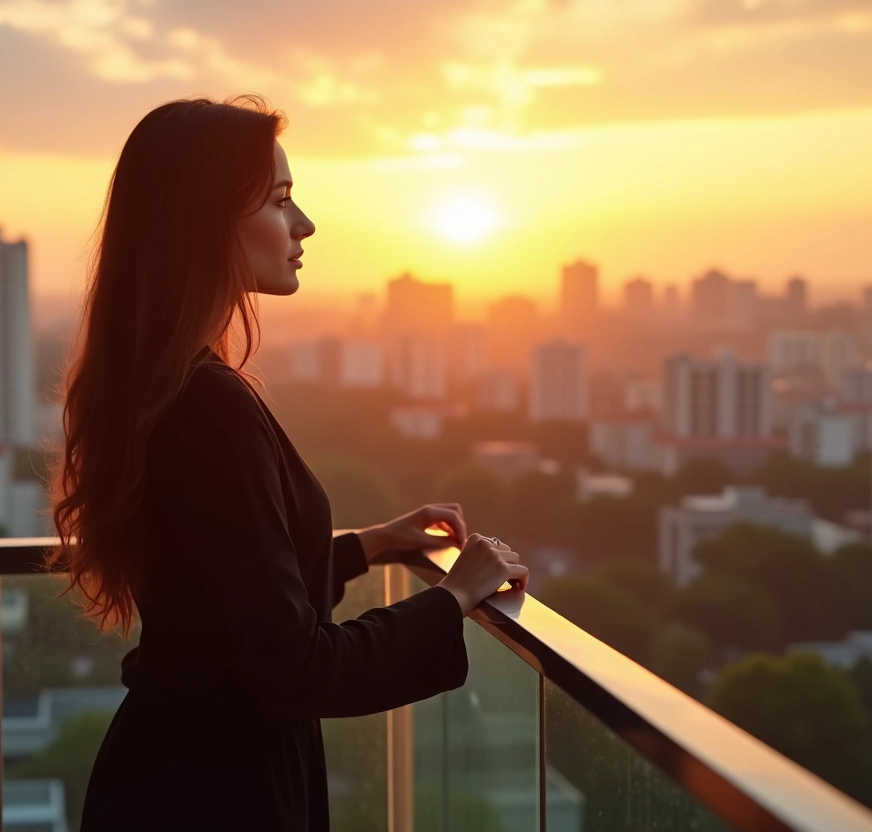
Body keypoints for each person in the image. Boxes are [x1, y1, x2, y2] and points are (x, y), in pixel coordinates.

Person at [48, 96, 529, 831]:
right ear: (204, 226)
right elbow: (296, 667)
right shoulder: (207, 406)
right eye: (279, 201)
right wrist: (452, 598)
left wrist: (372, 545)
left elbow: (222, 591)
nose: (304, 225)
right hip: (216, 799)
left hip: (172, 776)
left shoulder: (164, 383)